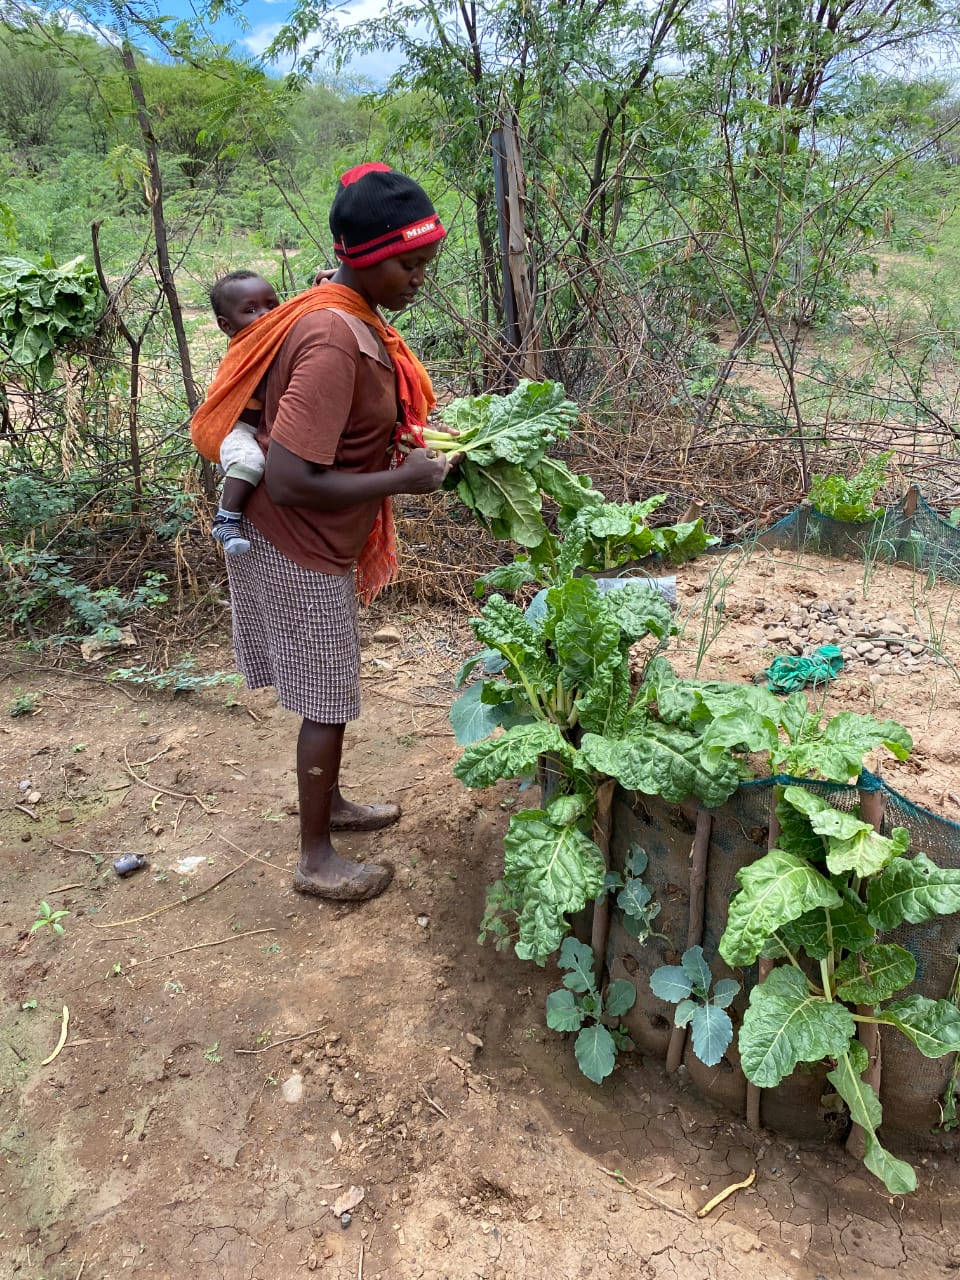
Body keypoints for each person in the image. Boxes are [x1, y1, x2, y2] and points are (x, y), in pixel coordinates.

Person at [190, 163, 457, 902]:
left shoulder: (354, 317)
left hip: (316, 537)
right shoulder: (333, 337)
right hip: (294, 539)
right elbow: (291, 478)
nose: (419, 278)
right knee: (329, 696)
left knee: (326, 690)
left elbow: (341, 440)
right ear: (367, 258)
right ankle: (316, 858)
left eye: (425, 263)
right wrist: (403, 481)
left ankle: (331, 807)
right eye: (411, 264)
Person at [207, 271, 281, 556]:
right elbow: (265, 392)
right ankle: (226, 518)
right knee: (251, 460)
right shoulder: (245, 352)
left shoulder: (273, 338)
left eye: (271, 306)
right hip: (238, 431)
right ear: (226, 325)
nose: (265, 315)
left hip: (258, 428)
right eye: (251, 310)